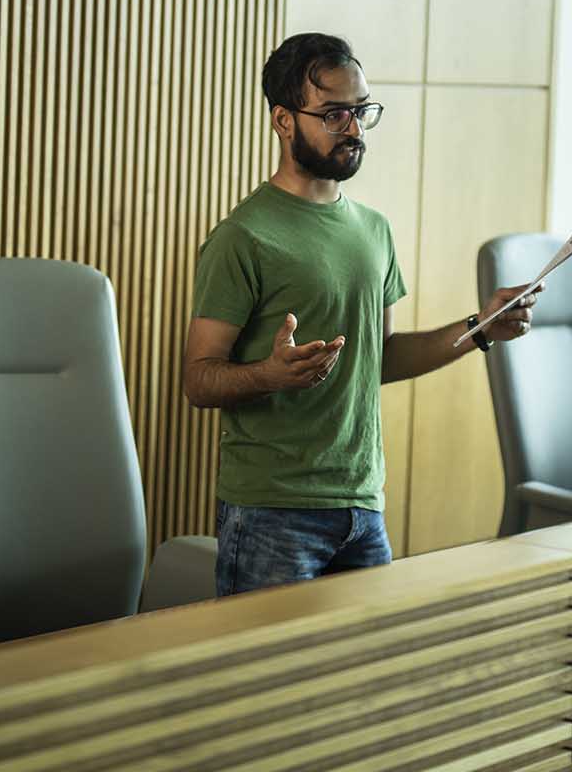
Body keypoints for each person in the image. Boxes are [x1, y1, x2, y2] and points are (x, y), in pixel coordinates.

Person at [183, 32, 539, 596]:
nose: (352, 128)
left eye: (361, 111)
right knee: (274, 685)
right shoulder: (243, 237)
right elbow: (199, 380)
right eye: (333, 115)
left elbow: (381, 357)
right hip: (272, 514)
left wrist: (480, 330)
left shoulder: (374, 230)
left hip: (363, 506)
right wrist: (268, 376)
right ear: (283, 120)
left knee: (369, 682)